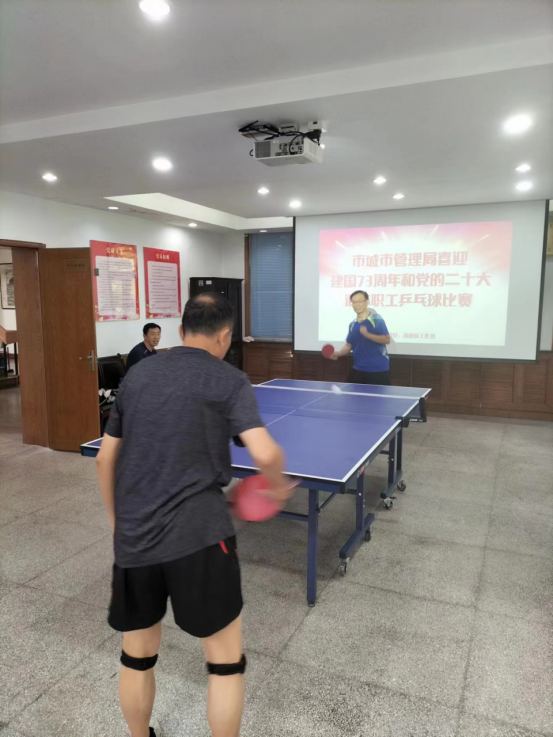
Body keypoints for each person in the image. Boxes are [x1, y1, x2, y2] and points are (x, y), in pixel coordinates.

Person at [95, 293, 293, 737]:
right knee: (225, 664)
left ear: (182, 330)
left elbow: (105, 459)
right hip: (201, 536)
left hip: (136, 536)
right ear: (224, 336)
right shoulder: (229, 379)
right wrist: (278, 488)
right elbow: (265, 453)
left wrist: (116, 524)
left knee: (136, 655)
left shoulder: (139, 373)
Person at [328, 289, 391, 385]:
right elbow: (349, 345)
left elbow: (386, 339)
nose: (356, 305)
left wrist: (368, 335)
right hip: (358, 368)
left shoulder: (377, 319)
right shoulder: (353, 324)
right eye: (354, 302)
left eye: (359, 301)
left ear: (367, 302)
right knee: (349, 392)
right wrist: (338, 354)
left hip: (378, 369)